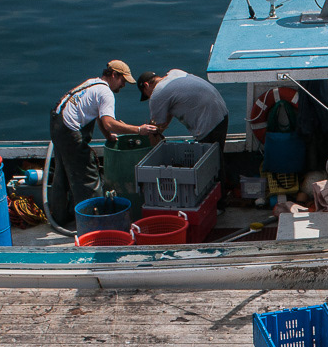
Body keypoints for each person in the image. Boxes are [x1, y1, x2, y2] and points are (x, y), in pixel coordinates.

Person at [49, 60, 156, 225]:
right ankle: (95, 222)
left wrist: (108, 136)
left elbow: (100, 117)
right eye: (122, 81)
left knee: (62, 172)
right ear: (113, 75)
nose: (123, 86)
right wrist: (139, 130)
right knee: (88, 176)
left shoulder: (91, 83)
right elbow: (108, 122)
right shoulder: (106, 93)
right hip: (70, 130)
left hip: (57, 123)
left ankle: (60, 217)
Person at [137, 69, 229, 148]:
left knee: (210, 158)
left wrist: (151, 148)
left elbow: (154, 129)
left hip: (208, 122)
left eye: (147, 95)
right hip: (221, 112)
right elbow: (168, 114)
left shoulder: (157, 94)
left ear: (146, 85)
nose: (149, 97)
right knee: (217, 154)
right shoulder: (175, 73)